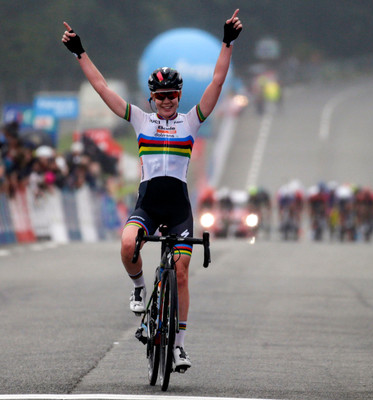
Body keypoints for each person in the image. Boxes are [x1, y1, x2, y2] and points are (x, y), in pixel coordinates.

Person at [62, 10, 242, 371]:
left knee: (182, 272)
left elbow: (218, 82)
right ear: (151, 98)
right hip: (146, 205)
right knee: (128, 245)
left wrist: (226, 43)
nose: (167, 101)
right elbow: (102, 89)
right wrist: (80, 53)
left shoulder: (191, 121)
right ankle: (140, 288)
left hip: (178, 210)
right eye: (160, 96)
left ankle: (179, 347)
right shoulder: (140, 120)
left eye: (172, 95)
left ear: (179, 96)